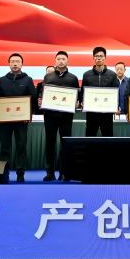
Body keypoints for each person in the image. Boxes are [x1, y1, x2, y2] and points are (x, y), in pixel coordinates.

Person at [0, 53, 36, 182]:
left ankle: (20, 173)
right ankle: (4, 172)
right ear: (9, 64)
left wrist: (29, 114)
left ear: (22, 64)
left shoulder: (28, 79)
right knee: (5, 147)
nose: (15, 63)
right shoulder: (2, 80)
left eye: (18, 61)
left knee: (21, 146)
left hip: (21, 120)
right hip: (5, 120)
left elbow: (33, 99)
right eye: (12, 61)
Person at [40, 51, 79, 181]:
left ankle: (64, 172)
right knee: (50, 143)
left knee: (65, 144)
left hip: (66, 117)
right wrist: (41, 100)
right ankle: (50, 172)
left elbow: (77, 97)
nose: (61, 61)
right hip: (50, 116)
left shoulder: (73, 78)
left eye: (63, 59)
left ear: (67, 61)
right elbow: (42, 94)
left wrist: (76, 102)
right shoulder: (48, 77)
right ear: (55, 61)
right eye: (58, 59)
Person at [81, 46, 118, 137]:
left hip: (107, 113)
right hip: (91, 113)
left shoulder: (112, 75)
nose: (99, 58)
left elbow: (116, 93)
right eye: (96, 56)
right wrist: (82, 102)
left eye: (101, 56)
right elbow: (83, 92)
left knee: (108, 137)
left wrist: (116, 105)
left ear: (105, 58)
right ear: (93, 58)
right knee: (90, 137)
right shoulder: (86, 75)